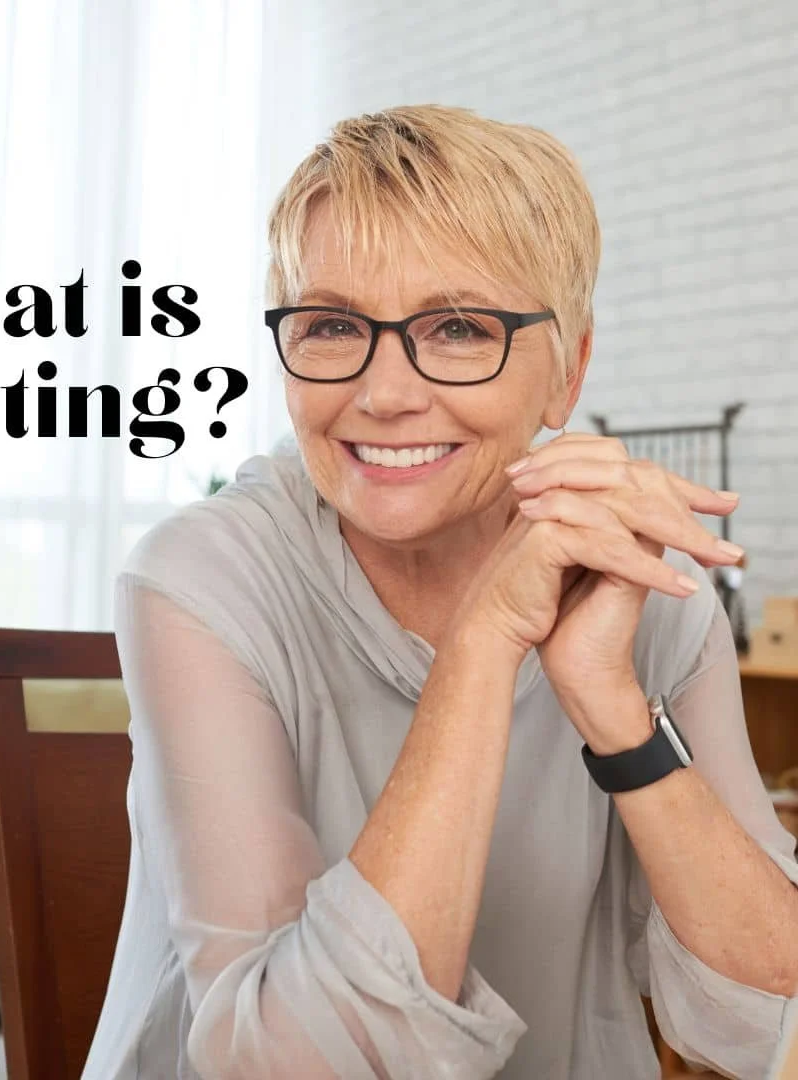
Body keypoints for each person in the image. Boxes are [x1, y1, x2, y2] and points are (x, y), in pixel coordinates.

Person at [82, 104, 798, 1079]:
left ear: (568, 371)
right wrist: (485, 642)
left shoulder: (645, 588)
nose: (382, 393)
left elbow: (774, 1015)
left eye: (459, 328)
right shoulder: (202, 579)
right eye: (333, 324)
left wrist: (615, 709)